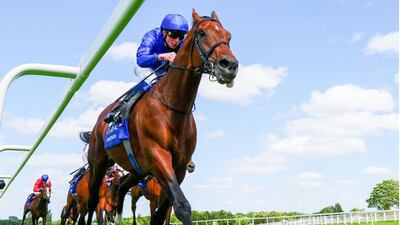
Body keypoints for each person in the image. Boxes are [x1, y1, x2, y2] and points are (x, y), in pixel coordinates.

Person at [103, 13, 189, 123]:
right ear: (164, 32)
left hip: (162, 69)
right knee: (152, 81)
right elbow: (141, 60)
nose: (177, 40)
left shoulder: (181, 43)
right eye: (174, 35)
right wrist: (160, 56)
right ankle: (118, 110)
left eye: (181, 36)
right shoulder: (151, 36)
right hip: (145, 66)